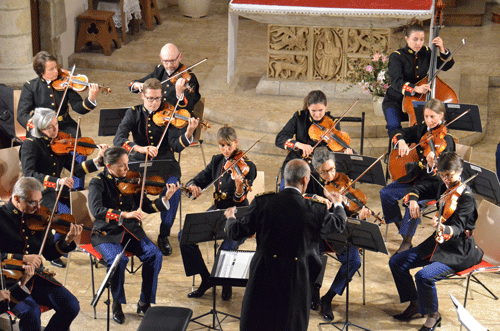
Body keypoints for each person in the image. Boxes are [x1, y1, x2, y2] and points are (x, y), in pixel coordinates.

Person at [223, 159, 346, 331]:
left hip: (263, 273)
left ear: (284, 178)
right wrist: (338, 203)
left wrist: (230, 218)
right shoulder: (315, 209)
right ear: (305, 179)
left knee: (259, 321)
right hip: (295, 277)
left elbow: (236, 232)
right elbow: (338, 224)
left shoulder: (262, 202)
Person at [389, 152, 483, 331]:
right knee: (397, 261)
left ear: (460, 171)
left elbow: (457, 228)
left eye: (450, 175)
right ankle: (415, 304)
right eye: (443, 175)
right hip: (438, 243)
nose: (446, 179)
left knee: (423, 276)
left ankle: (433, 316)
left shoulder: (467, 198)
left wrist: (443, 228)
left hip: (458, 250)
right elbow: (419, 189)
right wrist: (414, 201)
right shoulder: (443, 186)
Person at [88, 146, 180, 324]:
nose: (127, 169)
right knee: (118, 261)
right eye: (122, 166)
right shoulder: (97, 182)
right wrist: (124, 214)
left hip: (131, 231)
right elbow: (97, 210)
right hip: (106, 233)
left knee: (155, 255)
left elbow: (147, 206)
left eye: (127, 164)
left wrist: (165, 199)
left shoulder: (132, 180)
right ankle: (117, 304)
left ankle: (144, 302)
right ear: (109, 166)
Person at [114, 78, 199, 256]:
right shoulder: (134, 113)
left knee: (174, 189)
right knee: (126, 188)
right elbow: (119, 139)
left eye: (158, 99)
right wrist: (139, 148)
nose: (154, 103)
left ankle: (164, 234)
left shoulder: (171, 113)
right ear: (142, 96)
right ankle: (131, 232)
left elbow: (176, 145)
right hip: (139, 162)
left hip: (165, 163)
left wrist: (189, 132)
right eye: (150, 99)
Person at [20, 107, 107, 268]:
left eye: (56, 125)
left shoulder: (58, 143)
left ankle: (87, 243)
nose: (56, 130)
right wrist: (57, 181)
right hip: (39, 192)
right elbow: (29, 173)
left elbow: (77, 169)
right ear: (40, 129)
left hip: (59, 189)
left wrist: (98, 160)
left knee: (81, 208)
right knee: (59, 219)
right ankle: (54, 250)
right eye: (50, 127)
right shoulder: (30, 144)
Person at [180, 125, 257, 301]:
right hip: (217, 210)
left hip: (238, 214)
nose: (226, 150)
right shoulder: (217, 161)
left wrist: (239, 190)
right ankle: (206, 278)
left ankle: (226, 281)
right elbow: (200, 177)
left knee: (226, 248)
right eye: (222, 146)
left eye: (229, 146)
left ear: (236, 142)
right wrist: (193, 185)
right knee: (184, 236)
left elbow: (241, 199)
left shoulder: (248, 167)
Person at [0, 177, 83, 330]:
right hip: (8, 280)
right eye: (33, 202)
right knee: (31, 312)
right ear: (17, 198)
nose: (38, 207)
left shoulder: (39, 217)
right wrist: (22, 258)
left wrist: (67, 241)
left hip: (36, 277)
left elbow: (51, 253)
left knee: (71, 306)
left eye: (40, 201)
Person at [380, 98, 455, 253]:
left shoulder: (447, 140)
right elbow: (398, 132)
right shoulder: (422, 130)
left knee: (411, 203)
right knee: (386, 193)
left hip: (433, 184)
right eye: (426, 116)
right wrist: (401, 141)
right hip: (416, 178)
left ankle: (407, 242)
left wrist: (432, 165)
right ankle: (404, 230)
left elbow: (446, 171)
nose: (428, 120)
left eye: (432, 117)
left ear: (441, 115)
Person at [17, 51, 100, 191]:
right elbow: (22, 114)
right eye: (51, 69)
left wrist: (91, 99)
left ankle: (77, 187)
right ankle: (52, 183)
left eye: (56, 67)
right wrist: (37, 126)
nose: (57, 71)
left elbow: (79, 108)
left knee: (77, 150)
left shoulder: (65, 83)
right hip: (42, 129)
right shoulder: (31, 86)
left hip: (65, 126)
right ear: (41, 71)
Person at [306, 147, 371, 321]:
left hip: (339, 233)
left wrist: (359, 215)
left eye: (332, 169)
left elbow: (349, 214)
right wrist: (318, 200)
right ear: (317, 170)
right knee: (313, 257)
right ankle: (314, 291)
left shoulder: (343, 181)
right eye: (324, 172)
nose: (330, 175)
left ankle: (328, 298)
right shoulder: (311, 181)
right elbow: (303, 203)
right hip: (318, 232)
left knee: (354, 261)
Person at [382, 24, 454, 135]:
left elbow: (445, 66)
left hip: (417, 102)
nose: (418, 43)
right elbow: (396, 81)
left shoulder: (426, 52)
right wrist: (415, 88)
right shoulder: (397, 56)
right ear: (407, 39)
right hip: (395, 101)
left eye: (421, 40)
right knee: (394, 128)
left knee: (427, 128)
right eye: (415, 39)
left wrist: (442, 49)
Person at [275, 90, 352, 189]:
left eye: (321, 110)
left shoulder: (332, 123)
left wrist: (345, 152)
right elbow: (280, 138)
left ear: (326, 106)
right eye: (313, 111)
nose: (317, 115)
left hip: (320, 169)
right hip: (297, 163)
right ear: (308, 106)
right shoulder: (299, 117)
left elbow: (336, 148)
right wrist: (298, 144)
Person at [129, 43, 201, 114]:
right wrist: (137, 85)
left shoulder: (189, 78)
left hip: (175, 117)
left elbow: (189, 107)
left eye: (172, 61)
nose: (169, 65)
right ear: (161, 58)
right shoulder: (160, 70)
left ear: (180, 57)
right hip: (158, 114)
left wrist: (180, 95)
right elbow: (133, 84)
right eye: (166, 61)